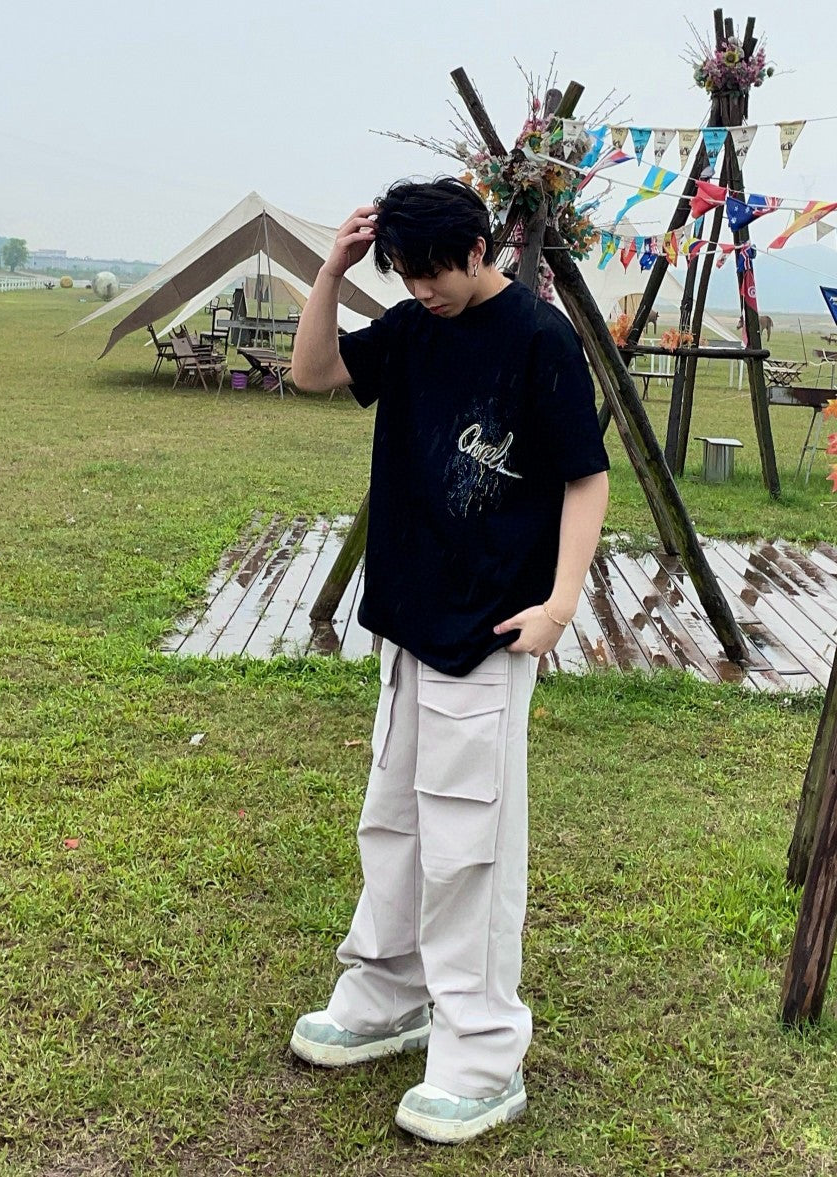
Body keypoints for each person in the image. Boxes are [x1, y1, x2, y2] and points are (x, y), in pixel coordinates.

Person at [288, 177, 609, 1144]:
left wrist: (560, 604)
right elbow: (312, 374)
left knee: (472, 844)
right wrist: (332, 271)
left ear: (479, 250)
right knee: (393, 821)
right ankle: (387, 994)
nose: (421, 289)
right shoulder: (412, 325)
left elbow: (586, 477)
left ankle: (481, 1053)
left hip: (492, 629)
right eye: (405, 274)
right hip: (409, 622)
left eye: (433, 272)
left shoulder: (542, 339)